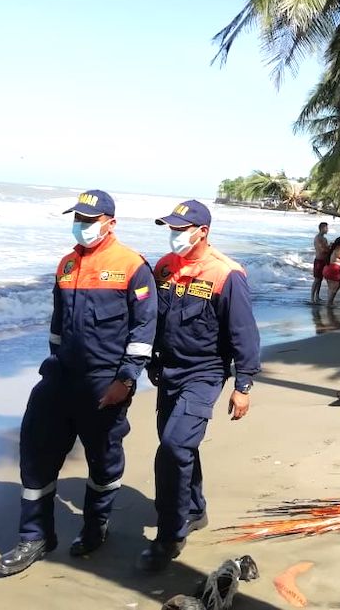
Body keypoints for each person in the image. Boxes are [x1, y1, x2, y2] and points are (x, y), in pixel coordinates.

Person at [0, 190, 157, 576]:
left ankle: (95, 526)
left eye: (89, 220)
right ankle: (34, 536)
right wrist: (52, 363)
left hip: (105, 382)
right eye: (78, 219)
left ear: (110, 223)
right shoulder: (66, 264)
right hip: (59, 377)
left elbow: (144, 327)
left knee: (103, 460)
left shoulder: (132, 266)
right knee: (35, 452)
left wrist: (126, 379)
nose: (82, 226)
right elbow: (57, 323)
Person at [139, 200, 261, 571]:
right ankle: (194, 509)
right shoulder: (164, 267)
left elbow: (244, 334)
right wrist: (150, 359)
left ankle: (169, 535)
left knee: (174, 448)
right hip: (169, 372)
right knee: (177, 445)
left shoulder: (226, 274)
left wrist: (244, 384)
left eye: (180, 229)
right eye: (171, 229)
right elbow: (154, 318)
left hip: (204, 373)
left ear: (202, 231)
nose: (174, 235)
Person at [321, 236, 340, 305]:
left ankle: (329, 301)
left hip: (326, 269)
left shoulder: (332, 249)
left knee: (331, 288)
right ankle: (329, 303)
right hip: (334, 270)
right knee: (335, 288)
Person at [310, 222, 329, 304]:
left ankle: (317, 296)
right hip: (319, 260)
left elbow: (326, 249)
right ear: (322, 228)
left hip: (324, 260)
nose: (327, 229)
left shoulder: (324, 239)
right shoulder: (317, 238)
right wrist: (329, 248)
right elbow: (322, 250)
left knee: (320, 279)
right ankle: (312, 297)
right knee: (317, 279)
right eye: (326, 228)